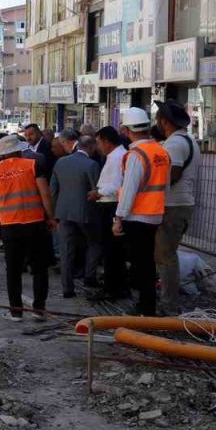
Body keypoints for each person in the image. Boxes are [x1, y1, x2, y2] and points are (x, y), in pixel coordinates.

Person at [0, 134, 55, 321]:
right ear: (19, 150)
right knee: (39, 268)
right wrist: (51, 217)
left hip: (9, 226)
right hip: (35, 224)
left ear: (2, 154)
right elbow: (45, 195)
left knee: (13, 270)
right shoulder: (33, 166)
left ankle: (16, 311)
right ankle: (39, 309)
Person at [113, 108, 170, 317]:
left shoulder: (136, 155)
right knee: (147, 262)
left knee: (140, 264)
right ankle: (147, 305)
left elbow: (128, 191)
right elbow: (167, 185)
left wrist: (118, 218)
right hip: (155, 214)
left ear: (127, 130)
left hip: (137, 216)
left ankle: (145, 309)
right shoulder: (161, 152)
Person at [152, 99, 198, 314]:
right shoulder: (187, 140)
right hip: (181, 204)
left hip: (173, 205)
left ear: (164, 121)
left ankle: (168, 305)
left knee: (165, 255)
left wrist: (152, 190)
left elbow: (174, 173)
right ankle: (167, 298)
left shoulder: (175, 144)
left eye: (158, 119)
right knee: (166, 254)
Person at [50, 130, 100, 298]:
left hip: (63, 212)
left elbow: (53, 191)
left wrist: (54, 213)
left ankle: (67, 289)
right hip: (85, 212)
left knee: (66, 251)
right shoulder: (91, 165)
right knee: (94, 243)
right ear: (91, 147)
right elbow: (96, 191)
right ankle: (89, 276)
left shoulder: (60, 163)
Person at [87, 126, 130, 300]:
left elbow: (117, 185)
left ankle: (113, 289)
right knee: (110, 250)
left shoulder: (118, 157)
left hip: (111, 204)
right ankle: (113, 286)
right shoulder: (114, 156)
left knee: (112, 250)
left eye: (98, 142)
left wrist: (98, 192)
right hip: (107, 203)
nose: (97, 147)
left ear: (106, 141)